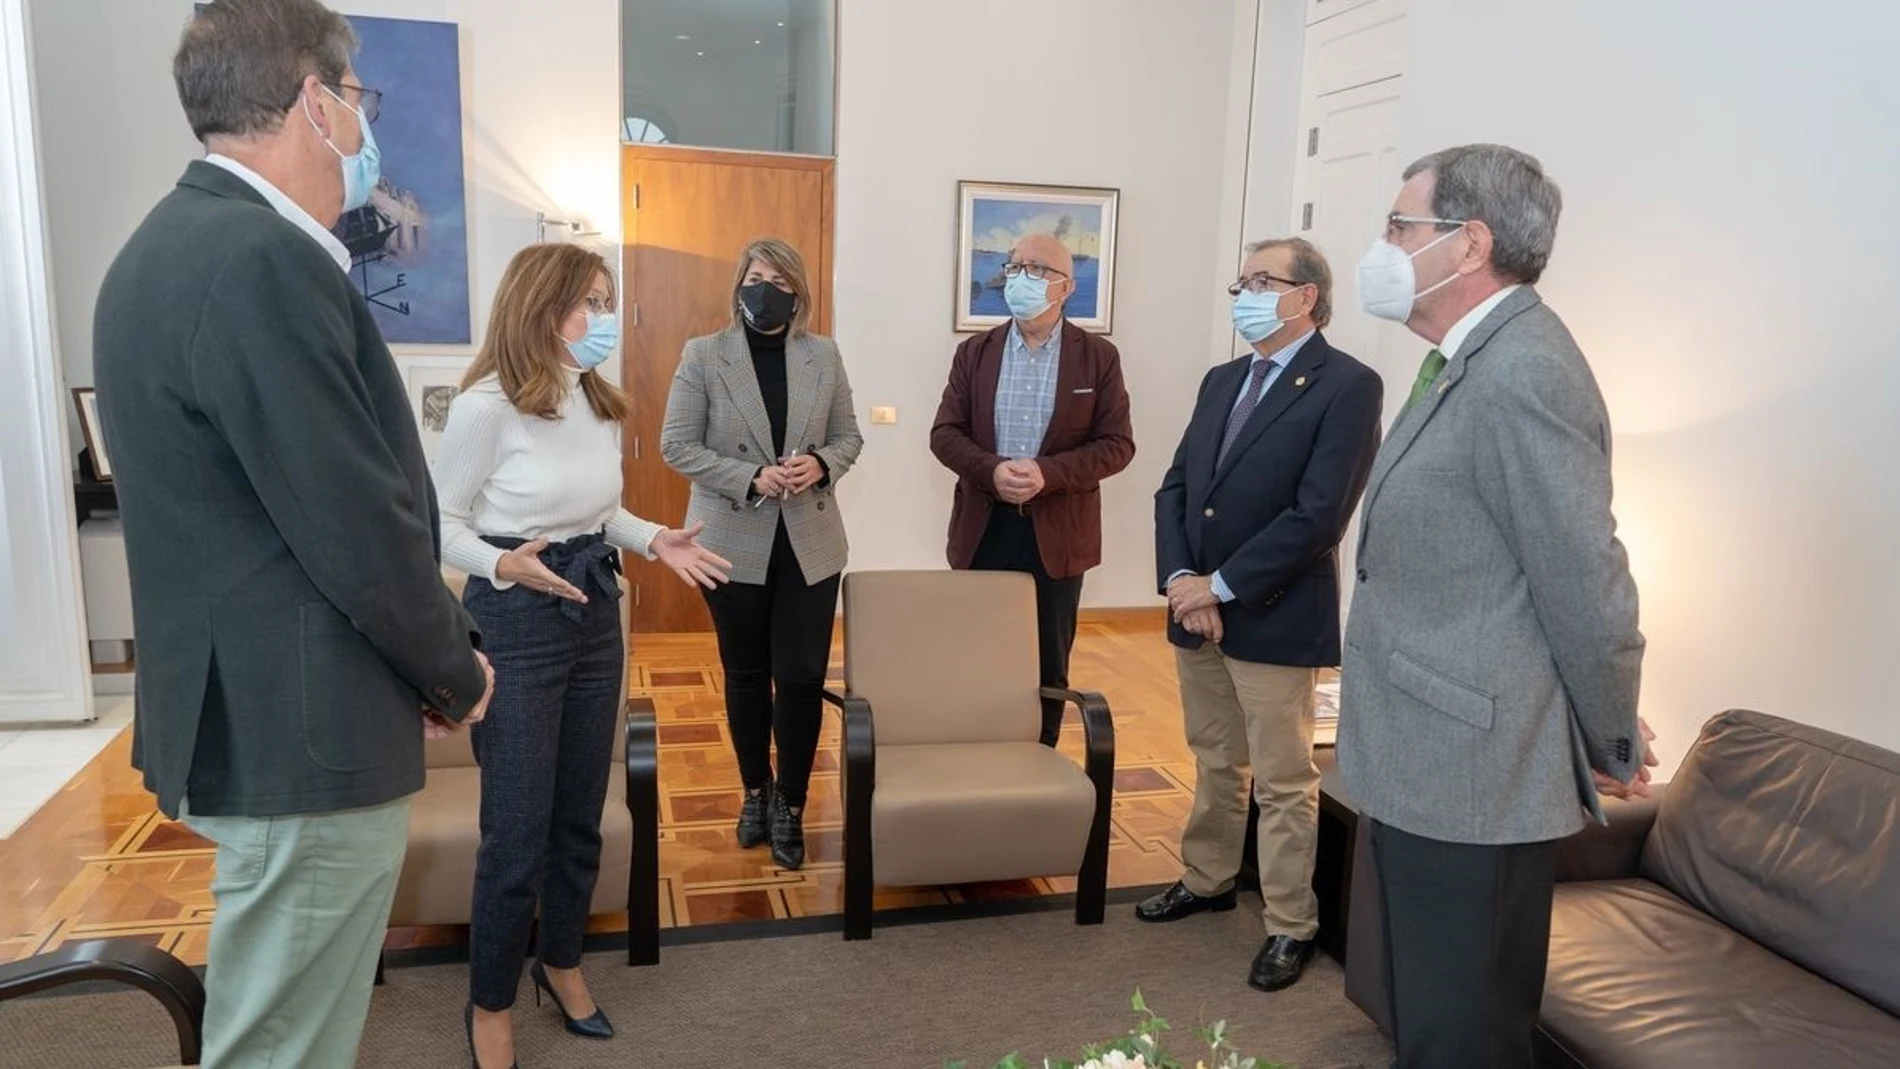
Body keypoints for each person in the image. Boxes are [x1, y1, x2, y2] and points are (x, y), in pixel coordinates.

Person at [90, 2, 495, 1064]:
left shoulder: (173, 245)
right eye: (358, 100)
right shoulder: (258, 259)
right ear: (317, 101)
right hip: (300, 724)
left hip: (263, 708)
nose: (367, 128)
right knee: (284, 1044)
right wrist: (453, 669)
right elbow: (353, 518)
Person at [1336, 143, 1659, 1069]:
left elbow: (1585, 577)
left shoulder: (1527, 370)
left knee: (1464, 1034)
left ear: (1468, 243)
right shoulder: (1465, 357)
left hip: (1472, 770)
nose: (1384, 245)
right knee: (1429, 1018)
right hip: (1425, 753)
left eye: (1401, 226)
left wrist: (1610, 736)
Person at [436, 243, 730, 1069]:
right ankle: (489, 1002)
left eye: (607, 300)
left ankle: (558, 961)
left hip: (595, 610)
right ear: (539, 306)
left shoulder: (595, 399)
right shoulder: (485, 408)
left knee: (578, 817)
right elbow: (440, 523)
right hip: (515, 618)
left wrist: (653, 536)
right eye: (587, 303)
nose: (602, 319)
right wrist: (502, 563)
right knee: (516, 829)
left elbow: (600, 513)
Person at [1140, 238, 1384, 994]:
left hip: (1274, 614)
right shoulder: (1222, 379)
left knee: (1283, 778)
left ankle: (1289, 924)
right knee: (1214, 758)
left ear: (1305, 295)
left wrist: (1222, 585)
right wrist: (1184, 579)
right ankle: (1208, 878)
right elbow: (1177, 487)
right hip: (1198, 607)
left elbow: (1319, 516)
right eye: (1239, 282)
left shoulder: (1348, 385)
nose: (1244, 293)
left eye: (1260, 280)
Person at [660, 238, 863, 871]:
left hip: (811, 544)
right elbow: (675, 445)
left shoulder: (822, 354)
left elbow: (849, 436)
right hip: (729, 543)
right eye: (755, 276)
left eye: (778, 279)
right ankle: (755, 791)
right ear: (738, 285)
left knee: (800, 679)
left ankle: (792, 805)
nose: (764, 288)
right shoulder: (704, 355)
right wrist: (748, 477)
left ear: (797, 291)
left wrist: (821, 464)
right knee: (746, 674)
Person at [928, 233, 1136, 745]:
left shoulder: (1098, 358)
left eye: (1037, 269)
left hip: (1058, 537)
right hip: (984, 528)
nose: (1021, 277)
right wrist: (991, 470)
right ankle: (976, 759)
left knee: (1047, 666)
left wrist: (1049, 474)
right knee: (977, 657)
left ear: (1065, 287)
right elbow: (944, 434)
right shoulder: (975, 352)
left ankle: (1037, 764)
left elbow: (1117, 445)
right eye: (1015, 265)